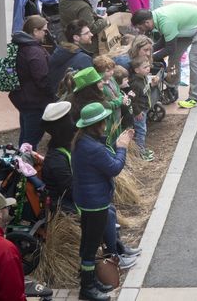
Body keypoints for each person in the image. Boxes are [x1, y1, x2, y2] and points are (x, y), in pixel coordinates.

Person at [71, 103, 133, 300]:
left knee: (89, 242)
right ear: (98, 124)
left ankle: (90, 280)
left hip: (87, 200)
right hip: (95, 203)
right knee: (90, 246)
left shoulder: (82, 141)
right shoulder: (93, 148)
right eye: (104, 120)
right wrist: (122, 148)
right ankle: (87, 289)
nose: (107, 123)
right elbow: (114, 167)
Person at [131, 5, 197, 110]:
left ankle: (196, 98)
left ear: (147, 23)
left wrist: (150, 58)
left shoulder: (165, 22)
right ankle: (172, 88)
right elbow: (164, 41)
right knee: (174, 56)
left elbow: (169, 48)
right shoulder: (155, 18)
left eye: (140, 28)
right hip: (188, 27)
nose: (140, 31)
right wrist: (148, 51)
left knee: (194, 59)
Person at [7, 16, 53, 147]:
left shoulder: (21, 45)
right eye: (44, 30)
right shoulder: (34, 52)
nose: (46, 33)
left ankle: (20, 164)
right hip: (35, 103)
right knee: (30, 143)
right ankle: (24, 165)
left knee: (25, 137)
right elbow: (42, 80)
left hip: (24, 99)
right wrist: (53, 94)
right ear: (35, 31)